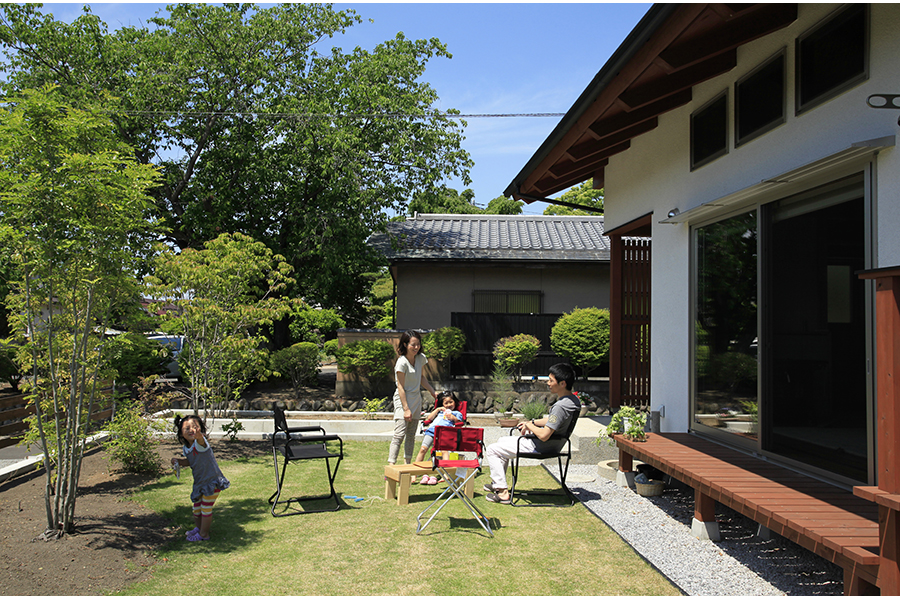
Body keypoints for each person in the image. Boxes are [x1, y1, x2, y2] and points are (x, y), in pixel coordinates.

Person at [483, 363, 580, 504]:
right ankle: (498, 483)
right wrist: (533, 422)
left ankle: (502, 492)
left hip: (542, 446)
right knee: (502, 441)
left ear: (562, 383)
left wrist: (529, 425)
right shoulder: (572, 401)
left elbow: (544, 435)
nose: (548, 383)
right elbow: (553, 421)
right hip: (555, 444)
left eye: (551, 380)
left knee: (492, 449)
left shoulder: (560, 406)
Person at [172, 415, 230, 542]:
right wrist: (180, 462)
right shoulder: (187, 448)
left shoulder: (201, 444)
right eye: (187, 428)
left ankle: (204, 534)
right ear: (181, 433)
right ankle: (199, 529)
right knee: (196, 509)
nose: (191, 430)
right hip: (200, 483)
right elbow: (191, 461)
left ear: (200, 430)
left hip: (212, 482)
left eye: (195, 427)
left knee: (205, 509)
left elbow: (201, 441)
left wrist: (199, 436)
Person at [387, 330, 437, 466]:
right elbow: (400, 387)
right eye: (413, 345)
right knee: (399, 434)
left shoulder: (421, 358)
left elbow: (421, 378)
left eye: (418, 344)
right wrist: (406, 409)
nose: (416, 347)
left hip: (416, 398)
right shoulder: (401, 362)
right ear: (405, 344)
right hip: (403, 399)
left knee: (411, 435)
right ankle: (391, 466)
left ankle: (408, 465)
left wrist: (432, 392)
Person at [414, 391, 463, 483]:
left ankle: (446, 474)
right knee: (423, 450)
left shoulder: (456, 413)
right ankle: (415, 473)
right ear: (442, 404)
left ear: (455, 402)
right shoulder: (440, 413)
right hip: (431, 431)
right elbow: (429, 419)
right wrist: (437, 410)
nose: (448, 405)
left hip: (444, 433)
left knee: (444, 452)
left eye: (451, 402)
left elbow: (459, 422)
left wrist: (453, 417)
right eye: (446, 403)